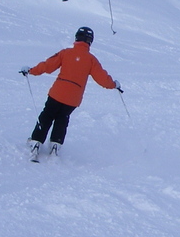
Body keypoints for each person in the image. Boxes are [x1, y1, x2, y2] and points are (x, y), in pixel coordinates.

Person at [20, 26, 120, 160]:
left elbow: (47, 66)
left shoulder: (65, 53)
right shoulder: (91, 59)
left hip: (57, 93)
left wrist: (31, 71)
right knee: (62, 119)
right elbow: (102, 79)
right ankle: (55, 144)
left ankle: (36, 142)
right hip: (73, 98)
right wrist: (114, 85)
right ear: (90, 41)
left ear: (76, 38)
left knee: (47, 116)